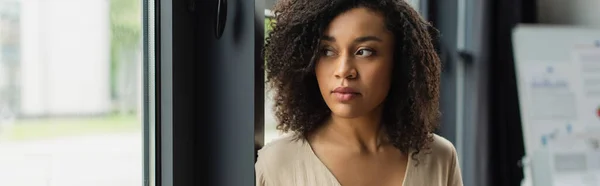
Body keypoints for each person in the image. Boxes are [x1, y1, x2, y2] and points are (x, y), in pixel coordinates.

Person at [256, 0, 463, 185]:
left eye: (364, 51)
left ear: (400, 61)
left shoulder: (439, 158)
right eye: (327, 51)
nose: (344, 70)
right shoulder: (277, 164)